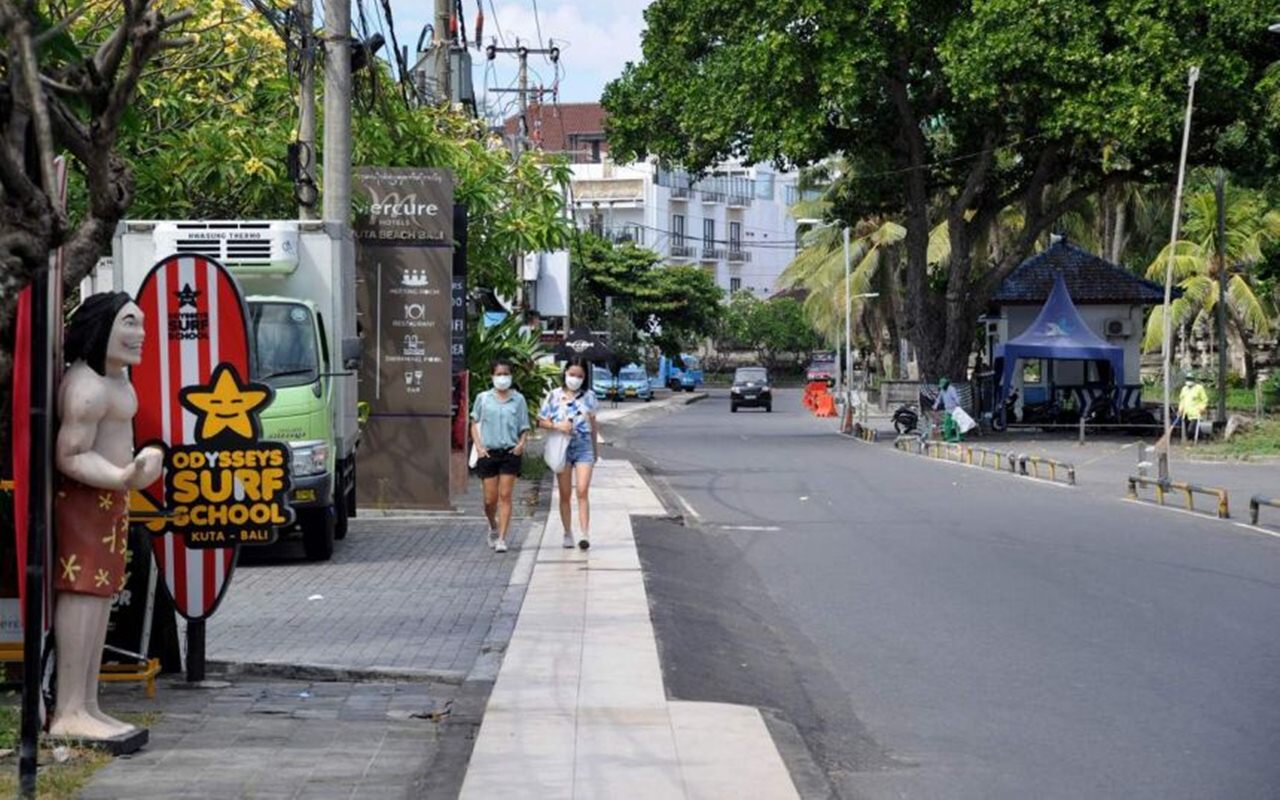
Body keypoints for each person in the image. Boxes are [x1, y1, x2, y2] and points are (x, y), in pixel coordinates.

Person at [53, 292, 164, 739]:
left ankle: (88, 703)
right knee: (82, 593)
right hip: (83, 502)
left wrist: (137, 467)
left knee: (101, 596)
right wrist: (121, 475)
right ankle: (68, 709)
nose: (140, 334)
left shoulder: (115, 379)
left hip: (110, 502)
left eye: (140, 323)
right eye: (129, 323)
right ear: (102, 328)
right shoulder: (86, 388)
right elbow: (71, 455)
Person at [537, 359, 600, 550]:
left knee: (582, 490)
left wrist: (595, 449)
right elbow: (541, 421)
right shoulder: (553, 395)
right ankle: (567, 532)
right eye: (572, 374)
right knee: (565, 493)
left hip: (583, 445)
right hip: (561, 445)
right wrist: (558, 426)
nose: (575, 379)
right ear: (565, 374)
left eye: (580, 376)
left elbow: (594, 423)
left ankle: (584, 533)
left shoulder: (589, 396)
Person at [470, 359, 530, 553]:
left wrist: (521, 444)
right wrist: (479, 447)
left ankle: (502, 538)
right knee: (490, 500)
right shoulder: (483, 398)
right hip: (488, 452)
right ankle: (493, 525)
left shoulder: (518, 399)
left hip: (510, 453)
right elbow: (474, 423)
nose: (502, 378)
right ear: (492, 376)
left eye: (506, 374)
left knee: (505, 495)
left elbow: (524, 426)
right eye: (499, 374)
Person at [1178, 371, 1209, 444]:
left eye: (1190, 379)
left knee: (1191, 430)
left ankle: (1194, 440)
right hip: (1186, 413)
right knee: (1188, 430)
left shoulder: (1199, 388)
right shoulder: (1184, 389)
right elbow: (1182, 400)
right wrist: (1180, 409)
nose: (1189, 381)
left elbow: (1204, 399)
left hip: (1195, 413)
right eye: (1188, 379)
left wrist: (1202, 407)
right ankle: (1201, 439)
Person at [933, 377, 962, 441]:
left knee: (957, 424)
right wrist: (935, 405)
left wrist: (958, 404)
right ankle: (947, 436)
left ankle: (959, 437)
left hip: (954, 409)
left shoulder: (952, 389)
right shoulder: (942, 390)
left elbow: (956, 397)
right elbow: (939, 399)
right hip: (947, 409)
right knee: (947, 424)